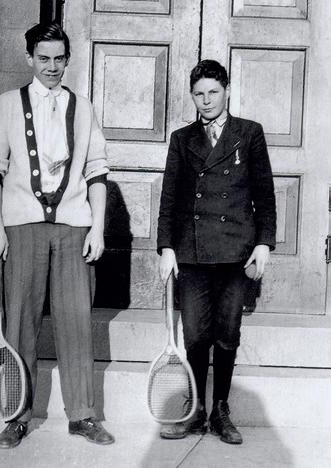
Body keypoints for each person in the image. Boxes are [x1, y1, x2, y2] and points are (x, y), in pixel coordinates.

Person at [0, 21, 114, 449]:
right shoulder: (8, 104)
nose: (51, 67)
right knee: (19, 322)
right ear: (29, 59)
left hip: (73, 226)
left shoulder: (83, 107)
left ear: (68, 59)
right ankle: (16, 416)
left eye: (58, 59)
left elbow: (97, 170)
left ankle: (83, 415)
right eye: (43, 58)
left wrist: (98, 227)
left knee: (76, 321)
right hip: (22, 227)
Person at [157, 60, 276, 444]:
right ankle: (195, 411)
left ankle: (221, 411)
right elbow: (169, 197)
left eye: (213, 92)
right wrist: (166, 247)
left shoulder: (249, 133)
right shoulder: (182, 138)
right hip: (191, 253)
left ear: (226, 91)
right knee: (195, 335)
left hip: (235, 251)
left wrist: (263, 242)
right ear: (191, 96)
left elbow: (264, 193)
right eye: (199, 94)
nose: (206, 100)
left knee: (227, 334)